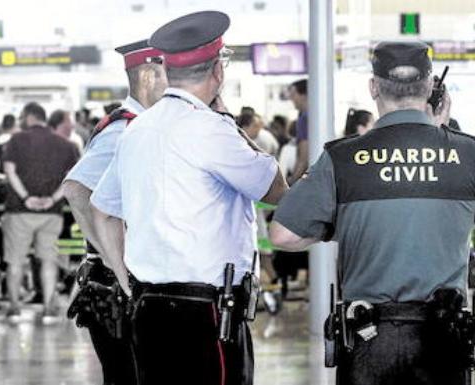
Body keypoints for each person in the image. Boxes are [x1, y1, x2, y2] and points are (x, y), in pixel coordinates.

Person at [91, 11, 287, 385]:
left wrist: (126, 278)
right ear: (218, 71)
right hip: (205, 315)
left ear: (166, 71)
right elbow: (275, 189)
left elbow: (102, 212)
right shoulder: (213, 130)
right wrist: (229, 120)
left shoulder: (136, 129)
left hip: (147, 309)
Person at [270, 41, 469, 385]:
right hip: (442, 339)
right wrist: (440, 135)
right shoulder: (466, 153)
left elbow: (282, 234)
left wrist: (339, 223)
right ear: (431, 86)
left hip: (368, 338)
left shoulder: (343, 157)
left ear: (373, 87)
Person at [62, 38, 166, 385]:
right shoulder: (125, 127)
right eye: (171, 73)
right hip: (116, 291)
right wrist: (117, 266)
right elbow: (76, 189)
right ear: (149, 77)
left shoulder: (145, 125)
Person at [2, 102, 79, 324]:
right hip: (51, 212)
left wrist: (27, 197)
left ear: (28, 118)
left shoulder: (16, 140)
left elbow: (9, 171)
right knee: (48, 261)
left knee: (15, 261)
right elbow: (72, 179)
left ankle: (15, 308)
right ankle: (47, 308)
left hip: (19, 211)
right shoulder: (66, 145)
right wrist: (51, 199)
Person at [288, 79, 308, 184]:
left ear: (303, 95)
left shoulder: (304, 119)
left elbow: (303, 157)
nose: (291, 98)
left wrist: (292, 181)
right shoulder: (317, 116)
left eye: (293, 94)